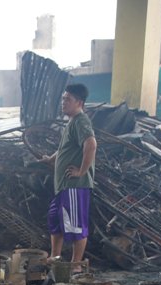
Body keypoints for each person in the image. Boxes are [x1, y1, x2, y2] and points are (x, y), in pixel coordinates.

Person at [41, 83, 96, 263]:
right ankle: (55, 258)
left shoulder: (81, 121)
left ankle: (76, 266)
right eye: (63, 99)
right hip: (64, 186)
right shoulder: (72, 122)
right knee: (55, 221)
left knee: (76, 226)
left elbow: (91, 144)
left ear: (79, 102)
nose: (63, 102)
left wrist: (81, 171)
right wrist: (51, 158)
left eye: (68, 99)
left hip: (75, 186)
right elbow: (66, 148)